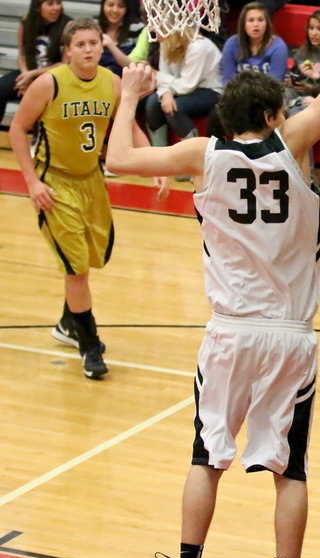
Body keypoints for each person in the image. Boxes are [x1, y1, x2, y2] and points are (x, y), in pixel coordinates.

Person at [105, 1, 320, 558]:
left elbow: (118, 160)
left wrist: (130, 97)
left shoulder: (203, 155)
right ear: (275, 115)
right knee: (290, 471)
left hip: (227, 332)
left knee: (206, 459)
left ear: (226, 116)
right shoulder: (293, 144)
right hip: (289, 336)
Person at [8, 18, 169, 380]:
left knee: (94, 257)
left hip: (91, 181)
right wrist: (32, 182)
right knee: (76, 268)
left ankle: (68, 323)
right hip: (55, 183)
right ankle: (89, 344)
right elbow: (18, 129)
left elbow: (128, 125)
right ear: (67, 51)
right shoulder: (49, 83)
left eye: (94, 42)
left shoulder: (111, 82)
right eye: (80, 44)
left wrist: (154, 163)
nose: (89, 49)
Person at [207, 1, 289, 138]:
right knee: (216, 113)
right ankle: (215, 153)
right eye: (251, 20)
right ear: (243, 24)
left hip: (268, 102)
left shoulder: (278, 47)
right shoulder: (232, 44)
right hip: (239, 99)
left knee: (271, 117)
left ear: (267, 23)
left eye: (260, 20)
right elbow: (228, 80)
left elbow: (276, 85)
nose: (256, 24)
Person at [145, 29, 222, 148]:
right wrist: (165, 93)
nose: (154, 34)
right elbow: (163, 77)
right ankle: (159, 153)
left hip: (212, 90)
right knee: (152, 102)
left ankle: (195, 152)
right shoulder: (165, 42)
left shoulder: (197, 46)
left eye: (158, 29)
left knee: (174, 107)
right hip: (181, 87)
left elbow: (187, 85)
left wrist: (161, 80)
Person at [0, 0, 71, 130]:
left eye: (58, 3)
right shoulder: (26, 22)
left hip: (54, 78)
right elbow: (21, 55)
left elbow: (64, 64)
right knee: (1, 87)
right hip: (29, 73)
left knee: (43, 101)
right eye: (50, 4)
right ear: (38, 7)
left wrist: (30, 75)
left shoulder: (68, 25)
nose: (56, 8)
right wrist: (25, 76)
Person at [283, 8, 320, 117]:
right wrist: (292, 82)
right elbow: (297, 79)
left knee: (300, 109)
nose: (314, 33)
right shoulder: (302, 53)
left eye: (319, 29)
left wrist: (311, 88)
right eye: (311, 28)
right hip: (301, 96)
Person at [97, 0, 149, 76]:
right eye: (110, 5)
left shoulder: (137, 29)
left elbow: (134, 66)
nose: (115, 10)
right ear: (103, 6)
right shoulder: (95, 28)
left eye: (121, 6)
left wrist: (111, 45)